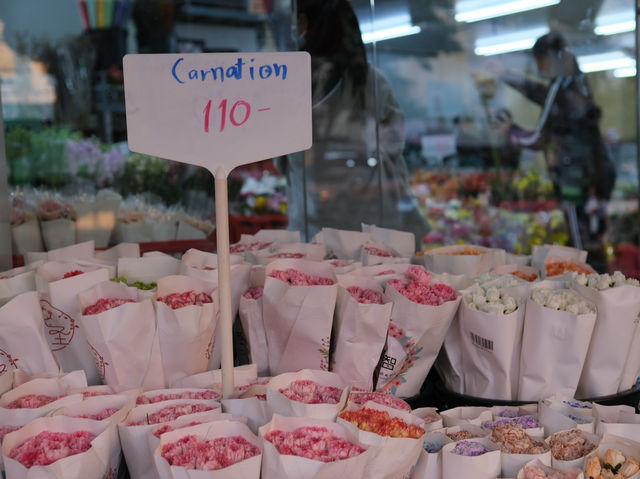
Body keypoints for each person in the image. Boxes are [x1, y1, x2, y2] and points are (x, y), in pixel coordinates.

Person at [279, 0, 429, 246]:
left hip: (316, 225)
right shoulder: (372, 81)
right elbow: (394, 147)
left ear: (304, 23)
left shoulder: (295, 85)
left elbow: (283, 159)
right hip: (376, 223)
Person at [488, 32, 616, 251]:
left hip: (575, 184)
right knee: (591, 243)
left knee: (580, 249)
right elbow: (543, 94)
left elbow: (539, 138)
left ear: (558, 57)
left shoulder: (564, 87)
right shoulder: (576, 83)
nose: (539, 68)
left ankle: (591, 284)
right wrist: (506, 75)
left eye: (542, 60)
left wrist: (511, 131)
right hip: (594, 179)